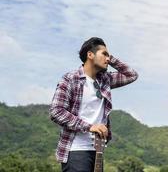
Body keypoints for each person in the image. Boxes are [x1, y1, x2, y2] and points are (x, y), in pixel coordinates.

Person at [49, 37, 138, 172]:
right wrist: (89, 126)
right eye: (104, 54)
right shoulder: (70, 79)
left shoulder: (105, 80)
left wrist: (109, 57)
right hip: (76, 151)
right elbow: (56, 111)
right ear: (90, 55)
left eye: (108, 55)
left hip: (97, 151)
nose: (107, 59)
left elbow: (131, 75)